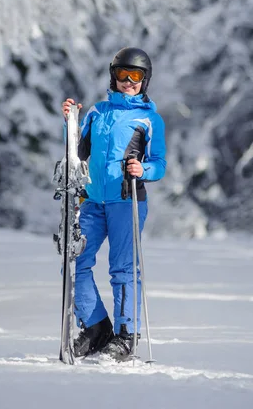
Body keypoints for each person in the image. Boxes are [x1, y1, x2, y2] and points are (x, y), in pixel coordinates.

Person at [61, 47, 166, 361]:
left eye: (136, 76)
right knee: (74, 263)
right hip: (92, 201)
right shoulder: (97, 112)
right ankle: (96, 328)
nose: (129, 82)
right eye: (123, 75)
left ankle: (125, 336)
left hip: (127, 200)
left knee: (121, 269)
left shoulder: (150, 119)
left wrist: (143, 169)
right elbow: (77, 152)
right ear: (114, 76)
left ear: (145, 81)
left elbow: (159, 163)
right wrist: (69, 122)